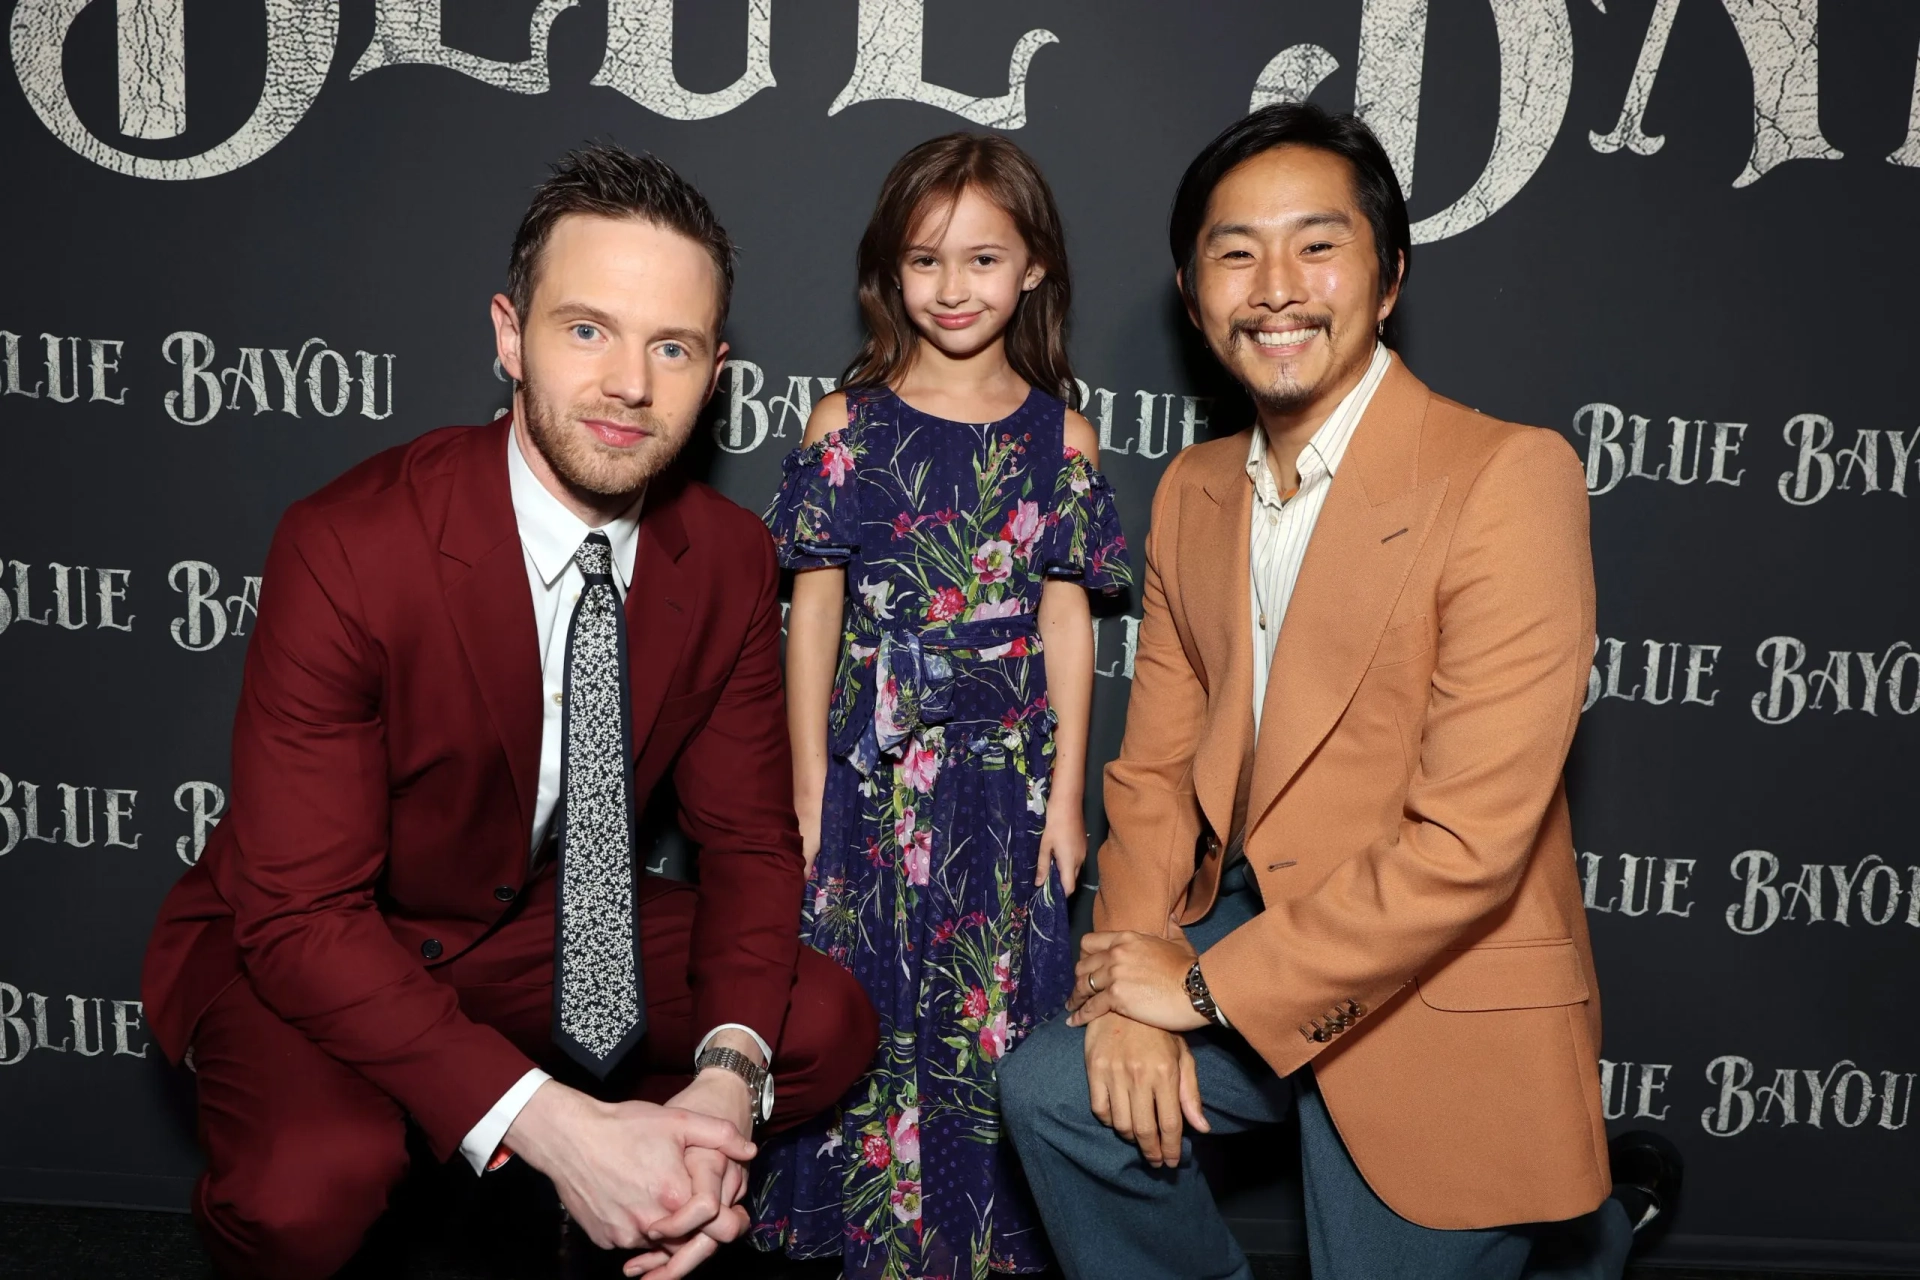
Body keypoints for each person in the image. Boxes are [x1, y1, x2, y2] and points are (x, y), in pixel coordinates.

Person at [140, 143, 878, 1280]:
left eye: (670, 346)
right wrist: (556, 1126)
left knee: (815, 1022)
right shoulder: (350, 546)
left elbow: (745, 841)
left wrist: (721, 1092)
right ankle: (538, 1139)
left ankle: (612, 1170)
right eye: (586, 328)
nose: (629, 383)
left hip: (540, 924)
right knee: (309, 1182)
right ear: (507, 335)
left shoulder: (728, 555)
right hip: (326, 932)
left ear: (715, 370)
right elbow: (296, 913)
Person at [998, 103, 1630, 1280]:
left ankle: (1591, 1223)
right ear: (1194, 299)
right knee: (1052, 1090)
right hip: (1259, 931)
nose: (1275, 286)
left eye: (1317, 244)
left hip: (1441, 981)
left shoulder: (1507, 475)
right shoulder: (1192, 487)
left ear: (1388, 278)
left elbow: (1467, 849)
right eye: (1235, 252)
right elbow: (1148, 777)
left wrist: (1192, 983)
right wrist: (1132, 973)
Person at [749, 134, 1132, 1279]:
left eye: (983, 258)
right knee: (866, 1009)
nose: (953, 288)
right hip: (871, 777)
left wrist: (1067, 799)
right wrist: (808, 784)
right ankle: (867, 1236)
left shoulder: (1061, 437)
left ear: (1035, 272)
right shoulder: (844, 425)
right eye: (925, 260)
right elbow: (810, 614)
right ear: (890, 271)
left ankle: (975, 1246)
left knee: (989, 1017)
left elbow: (1071, 622)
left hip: (1002, 785)